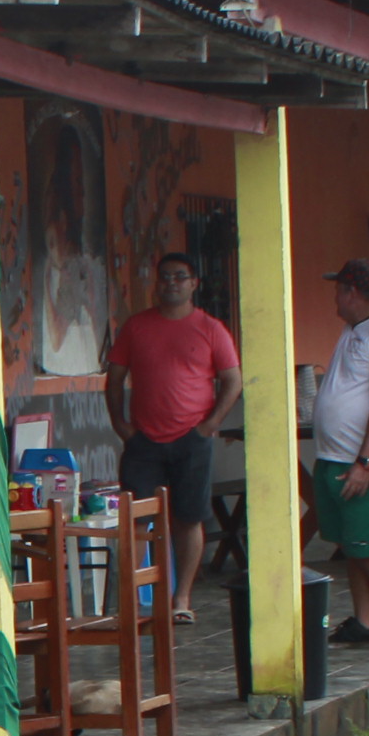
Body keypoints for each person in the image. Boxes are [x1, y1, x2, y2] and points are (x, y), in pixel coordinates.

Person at [103, 251, 243, 625]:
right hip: (143, 440)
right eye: (164, 276)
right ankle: (133, 601)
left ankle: (181, 599)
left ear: (194, 283)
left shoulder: (211, 328)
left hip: (192, 438)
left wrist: (210, 425)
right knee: (136, 518)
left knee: (188, 518)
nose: (171, 283)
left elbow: (232, 380)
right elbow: (114, 379)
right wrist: (121, 425)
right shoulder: (136, 327)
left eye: (180, 276)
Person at [310, 257, 369, 645]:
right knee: (351, 542)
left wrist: (366, 461)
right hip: (334, 456)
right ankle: (366, 619)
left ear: (352, 293)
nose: (334, 298)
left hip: (361, 461)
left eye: (338, 290)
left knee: (368, 546)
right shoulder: (353, 328)